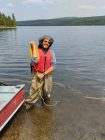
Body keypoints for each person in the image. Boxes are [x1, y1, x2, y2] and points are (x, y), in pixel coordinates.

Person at [24, 35, 56, 109]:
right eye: (45, 41)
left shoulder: (51, 52)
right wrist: (33, 45)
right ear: (41, 42)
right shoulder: (35, 50)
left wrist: (44, 74)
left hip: (47, 74)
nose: (46, 43)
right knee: (34, 91)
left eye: (48, 42)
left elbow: (54, 65)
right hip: (37, 74)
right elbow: (35, 60)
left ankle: (46, 104)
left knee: (47, 91)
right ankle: (28, 105)